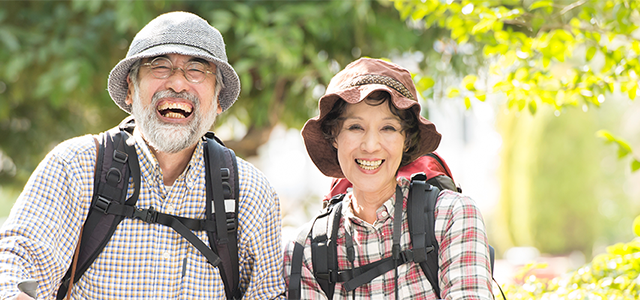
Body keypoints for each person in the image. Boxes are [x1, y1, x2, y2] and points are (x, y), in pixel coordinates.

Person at [0, 11, 285, 299]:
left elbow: (269, 293)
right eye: (159, 66)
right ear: (130, 90)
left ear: (219, 101)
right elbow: (15, 265)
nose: (177, 84)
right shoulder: (75, 166)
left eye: (197, 70)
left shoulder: (250, 192)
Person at [283, 58, 494, 299]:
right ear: (333, 136)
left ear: (407, 140)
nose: (371, 146)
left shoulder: (451, 216)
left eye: (388, 128)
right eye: (355, 127)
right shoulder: (306, 250)